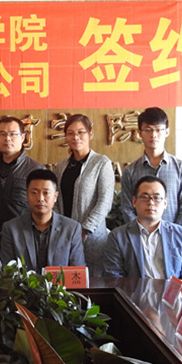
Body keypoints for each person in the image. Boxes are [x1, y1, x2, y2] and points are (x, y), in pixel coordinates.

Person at [102, 175, 182, 290]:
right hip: (133, 297)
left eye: (157, 198)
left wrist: (180, 295)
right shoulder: (117, 237)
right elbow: (112, 276)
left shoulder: (181, 235)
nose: (151, 203)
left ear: (165, 203)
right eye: (144, 197)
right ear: (134, 201)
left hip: (172, 298)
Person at [51, 114, 115, 278]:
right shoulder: (61, 166)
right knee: (66, 281)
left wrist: (85, 230)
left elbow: (105, 202)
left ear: (90, 134)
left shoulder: (102, 163)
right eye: (70, 133)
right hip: (64, 236)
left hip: (92, 238)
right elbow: (55, 199)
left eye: (81, 132)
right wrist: (60, 227)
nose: (76, 137)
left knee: (92, 281)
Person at [120, 107, 182, 229]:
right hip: (141, 238)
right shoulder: (130, 171)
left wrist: (177, 234)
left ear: (167, 132)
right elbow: (127, 208)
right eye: (148, 130)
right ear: (139, 133)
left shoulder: (180, 168)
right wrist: (142, 235)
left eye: (159, 130)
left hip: (174, 237)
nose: (153, 135)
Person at [0, 169, 85, 271]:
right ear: (27, 195)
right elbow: (7, 272)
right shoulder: (11, 229)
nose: (40, 198)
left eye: (46, 193)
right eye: (34, 193)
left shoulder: (72, 229)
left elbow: (78, 272)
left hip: (61, 282)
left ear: (55, 196)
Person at [0, 116, 45, 252]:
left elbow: (45, 208)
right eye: (2, 134)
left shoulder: (36, 169)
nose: (7, 139)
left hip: (26, 236)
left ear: (23, 137)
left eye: (13, 134)